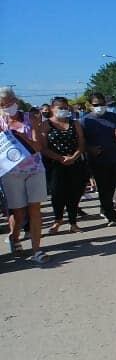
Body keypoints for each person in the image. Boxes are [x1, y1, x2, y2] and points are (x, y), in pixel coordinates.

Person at [0, 88, 49, 264]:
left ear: (15, 100)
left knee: (35, 208)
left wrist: (20, 137)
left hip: (34, 169)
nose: (6, 107)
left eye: (8, 102)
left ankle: (37, 249)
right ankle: (14, 237)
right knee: (19, 212)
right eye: (2, 104)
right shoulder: (1, 121)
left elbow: (37, 147)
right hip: (11, 173)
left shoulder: (30, 118)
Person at [40, 96, 87, 234]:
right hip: (55, 164)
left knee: (75, 192)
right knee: (57, 193)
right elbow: (43, 147)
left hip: (75, 162)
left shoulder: (75, 124)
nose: (63, 110)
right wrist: (60, 158)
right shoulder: (46, 125)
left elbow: (81, 143)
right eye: (60, 108)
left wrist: (74, 156)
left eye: (66, 108)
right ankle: (58, 220)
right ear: (52, 109)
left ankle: (73, 222)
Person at [81, 92, 116, 226]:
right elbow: (80, 141)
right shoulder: (86, 120)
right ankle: (110, 215)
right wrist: (89, 149)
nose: (100, 107)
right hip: (96, 159)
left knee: (112, 186)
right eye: (96, 105)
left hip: (114, 157)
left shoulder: (115, 117)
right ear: (90, 105)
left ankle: (105, 207)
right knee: (103, 186)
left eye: (102, 104)